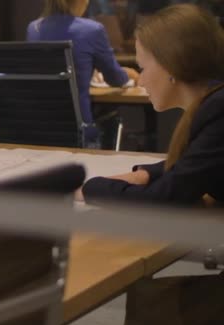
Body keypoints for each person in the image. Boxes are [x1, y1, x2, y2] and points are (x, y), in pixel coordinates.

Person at [80, 4, 224, 205]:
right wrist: (146, 173)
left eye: (143, 68)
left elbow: (163, 199)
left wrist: (90, 188)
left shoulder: (217, 110)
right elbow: (197, 163)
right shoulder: (213, 104)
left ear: (171, 64)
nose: (141, 80)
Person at [27, 0, 139, 146]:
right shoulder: (92, 30)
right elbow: (115, 79)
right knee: (111, 120)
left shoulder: (34, 29)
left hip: (37, 131)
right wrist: (128, 73)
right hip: (78, 134)